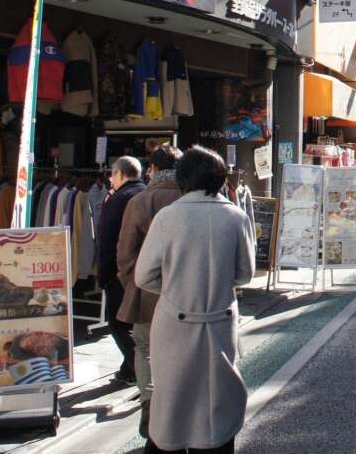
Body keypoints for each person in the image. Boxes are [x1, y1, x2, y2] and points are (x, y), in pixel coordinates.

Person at [136, 146, 254, 454]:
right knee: (217, 401)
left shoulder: (168, 217)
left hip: (174, 321)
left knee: (172, 398)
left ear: (183, 178)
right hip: (220, 320)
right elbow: (245, 275)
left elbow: (143, 276)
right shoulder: (236, 216)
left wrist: (175, 287)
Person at [116, 145, 183, 438]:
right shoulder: (189, 199)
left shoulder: (140, 201)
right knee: (180, 349)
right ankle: (177, 405)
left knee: (143, 348)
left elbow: (125, 251)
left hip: (145, 291)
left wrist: (131, 281)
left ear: (152, 169)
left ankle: (149, 400)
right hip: (184, 292)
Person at [97, 156, 146, 385]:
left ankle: (139, 368)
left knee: (118, 325)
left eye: (112, 174)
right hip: (145, 271)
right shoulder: (146, 194)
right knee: (134, 324)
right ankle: (128, 370)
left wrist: (104, 274)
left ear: (120, 174)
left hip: (120, 271)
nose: (110, 179)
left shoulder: (118, 199)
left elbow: (107, 240)